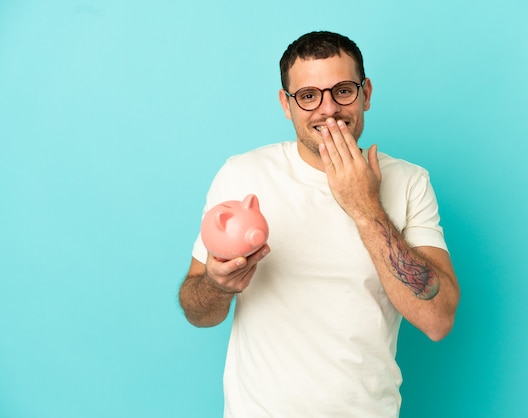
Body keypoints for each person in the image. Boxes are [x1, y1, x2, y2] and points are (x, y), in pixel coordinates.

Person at [179, 31, 460, 418]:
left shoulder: (410, 181)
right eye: (309, 95)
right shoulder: (242, 175)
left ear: (366, 93)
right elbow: (199, 313)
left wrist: (364, 207)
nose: (328, 109)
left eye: (343, 90)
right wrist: (216, 285)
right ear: (286, 104)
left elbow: (438, 319)